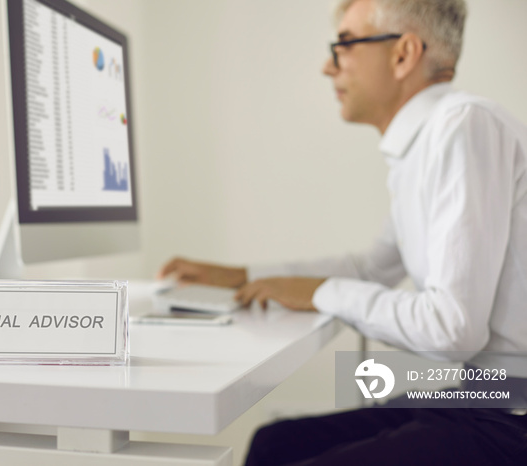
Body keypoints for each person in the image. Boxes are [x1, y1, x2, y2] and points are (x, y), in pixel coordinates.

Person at [158, 0, 527, 464]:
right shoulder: (425, 146)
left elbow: (454, 328)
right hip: (485, 397)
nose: (327, 66)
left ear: (403, 54)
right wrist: (240, 275)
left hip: (510, 413)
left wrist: (322, 292)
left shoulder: (463, 126)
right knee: (274, 444)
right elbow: (372, 268)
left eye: (346, 43)